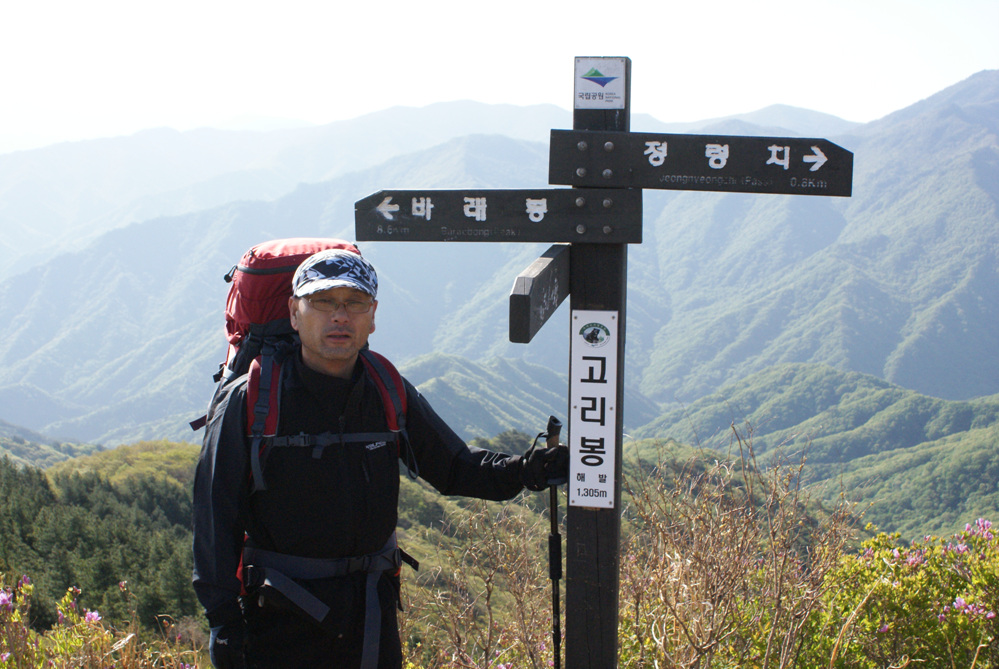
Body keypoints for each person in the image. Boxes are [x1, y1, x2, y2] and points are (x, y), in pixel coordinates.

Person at [192, 248, 569, 669]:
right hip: (278, 620)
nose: (340, 316)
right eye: (323, 302)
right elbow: (215, 518)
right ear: (294, 314)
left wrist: (527, 470)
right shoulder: (252, 400)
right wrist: (224, 623)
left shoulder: (387, 388)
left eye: (354, 303)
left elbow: (455, 467)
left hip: (371, 616)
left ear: (372, 317)